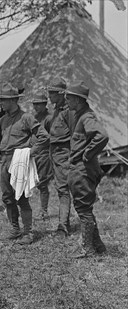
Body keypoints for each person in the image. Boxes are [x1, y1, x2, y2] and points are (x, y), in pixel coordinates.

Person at [0, 83, 46, 245]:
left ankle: (28, 233)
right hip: (4, 161)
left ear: (14, 100)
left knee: (22, 198)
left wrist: (31, 152)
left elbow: (44, 137)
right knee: (8, 197)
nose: (1, 103)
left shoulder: (26, 118)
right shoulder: (2, 120)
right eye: (1, 99)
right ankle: (15, 228)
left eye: (4, 100)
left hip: (20, 161)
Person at [65, 81, 109, 258]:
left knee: (83, 210)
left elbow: (102, 136)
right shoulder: (78, 115)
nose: (66, 100)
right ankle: (98, 245)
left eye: (69, 98)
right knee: (85, 208)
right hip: (80, 168)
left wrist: (87, 154)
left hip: (83, 169)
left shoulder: (86, 117)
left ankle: (88, 249)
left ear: (78, 100)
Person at [43, 77, 74, 237]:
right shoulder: (55, 111)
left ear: (62, 94)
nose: (49, 96)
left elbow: (76, 135)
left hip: (65, 154)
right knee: (61, 189)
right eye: (49, 92)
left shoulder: (69, 111)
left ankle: (63, 226)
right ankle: (65, 223)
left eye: (53, 93)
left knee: (64, 190)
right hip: (54, 154)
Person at [30, 90, 54, 220]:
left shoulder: (49, 118)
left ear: (45, 104)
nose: (36, 107)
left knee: (43, 183)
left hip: (44, 154)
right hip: (34, 153)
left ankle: (44, 210)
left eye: (38, 104)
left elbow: (52, 137)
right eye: (34, 104)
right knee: (36, 181)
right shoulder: (34, 118)